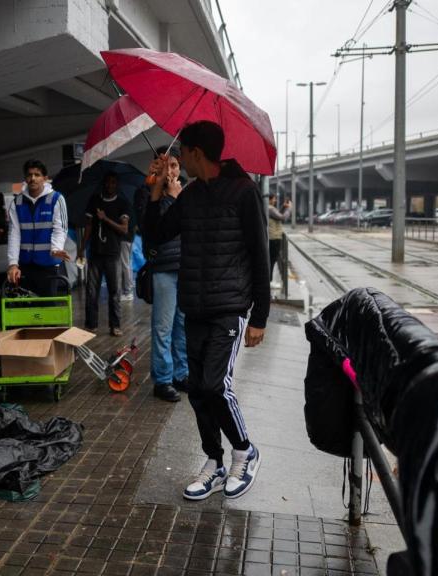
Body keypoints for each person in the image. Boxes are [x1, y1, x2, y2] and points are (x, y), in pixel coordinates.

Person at [141, 120, 270, 501]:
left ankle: (244, 451)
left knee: (216, 386)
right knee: (197, 390)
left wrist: (260, 316)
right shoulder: (191, 196)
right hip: (194, 304)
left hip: (229, 308)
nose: (179, 158)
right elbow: (155, 236)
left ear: (197, 153)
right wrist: (154, 191)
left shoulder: (245, 192)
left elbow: (261, 257)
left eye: (183, 153)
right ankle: (214, 461)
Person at [136, 149, 187, 403]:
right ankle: (163, 380)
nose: (171, 171)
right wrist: (163, 192)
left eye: (175, 165)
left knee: (182, 325)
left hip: (184, 267)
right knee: (163, 327)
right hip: (164, 267)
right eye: (166, 165)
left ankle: (182, 373)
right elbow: (149, 228)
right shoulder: (147, 193)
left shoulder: (187, 193)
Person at [6, 159, 70, 296]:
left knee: (48, 308)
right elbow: (14, 234)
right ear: (25, 178)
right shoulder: (16, 203)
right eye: (29, 175)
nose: (33, 178)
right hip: (24, 266)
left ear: (45, 179)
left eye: (37, 174)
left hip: (48, 265)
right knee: (26, 309)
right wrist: (13, 264)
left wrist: (56, 248)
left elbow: (60, 229)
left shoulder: (56, 199)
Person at [82, 173, 130, 337]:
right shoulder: (94, 201)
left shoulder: (122, 204)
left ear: (117, 185)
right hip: (95, 252)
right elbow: (88, 225)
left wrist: (105, 219)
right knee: (91, 291)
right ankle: (91, 325)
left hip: (113, 254)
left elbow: (124, 229)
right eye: (107, 183)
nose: (110, 186)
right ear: (103, 184)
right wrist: (82, 247)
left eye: (113, 183)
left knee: (114, 292)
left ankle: (115, 326)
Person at [267, 194, 292, 290]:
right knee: (272, 260)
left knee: (271, 260)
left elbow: (277, 215)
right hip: (274, 238)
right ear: (269, 200)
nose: (275, 200)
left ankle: (269, 281)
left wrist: (283, 207)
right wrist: (289, 209)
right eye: (274, 199)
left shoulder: (270, 208)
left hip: (272, 237)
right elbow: (283, 218)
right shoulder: (270, 208)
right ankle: (269, 282)